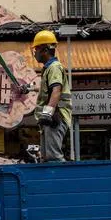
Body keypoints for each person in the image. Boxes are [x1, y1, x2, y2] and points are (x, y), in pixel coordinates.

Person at [31, 30, 72, 162]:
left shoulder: (54, 67)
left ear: (45, 50)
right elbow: (48, 90)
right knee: (46, 157)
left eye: (36, 49)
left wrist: (47, 113)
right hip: (52, 117)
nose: (35, 53)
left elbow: (56, 90)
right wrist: (29, 88)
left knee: (53, 157)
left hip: (56, 117)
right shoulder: (49, 68)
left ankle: (63, 180)